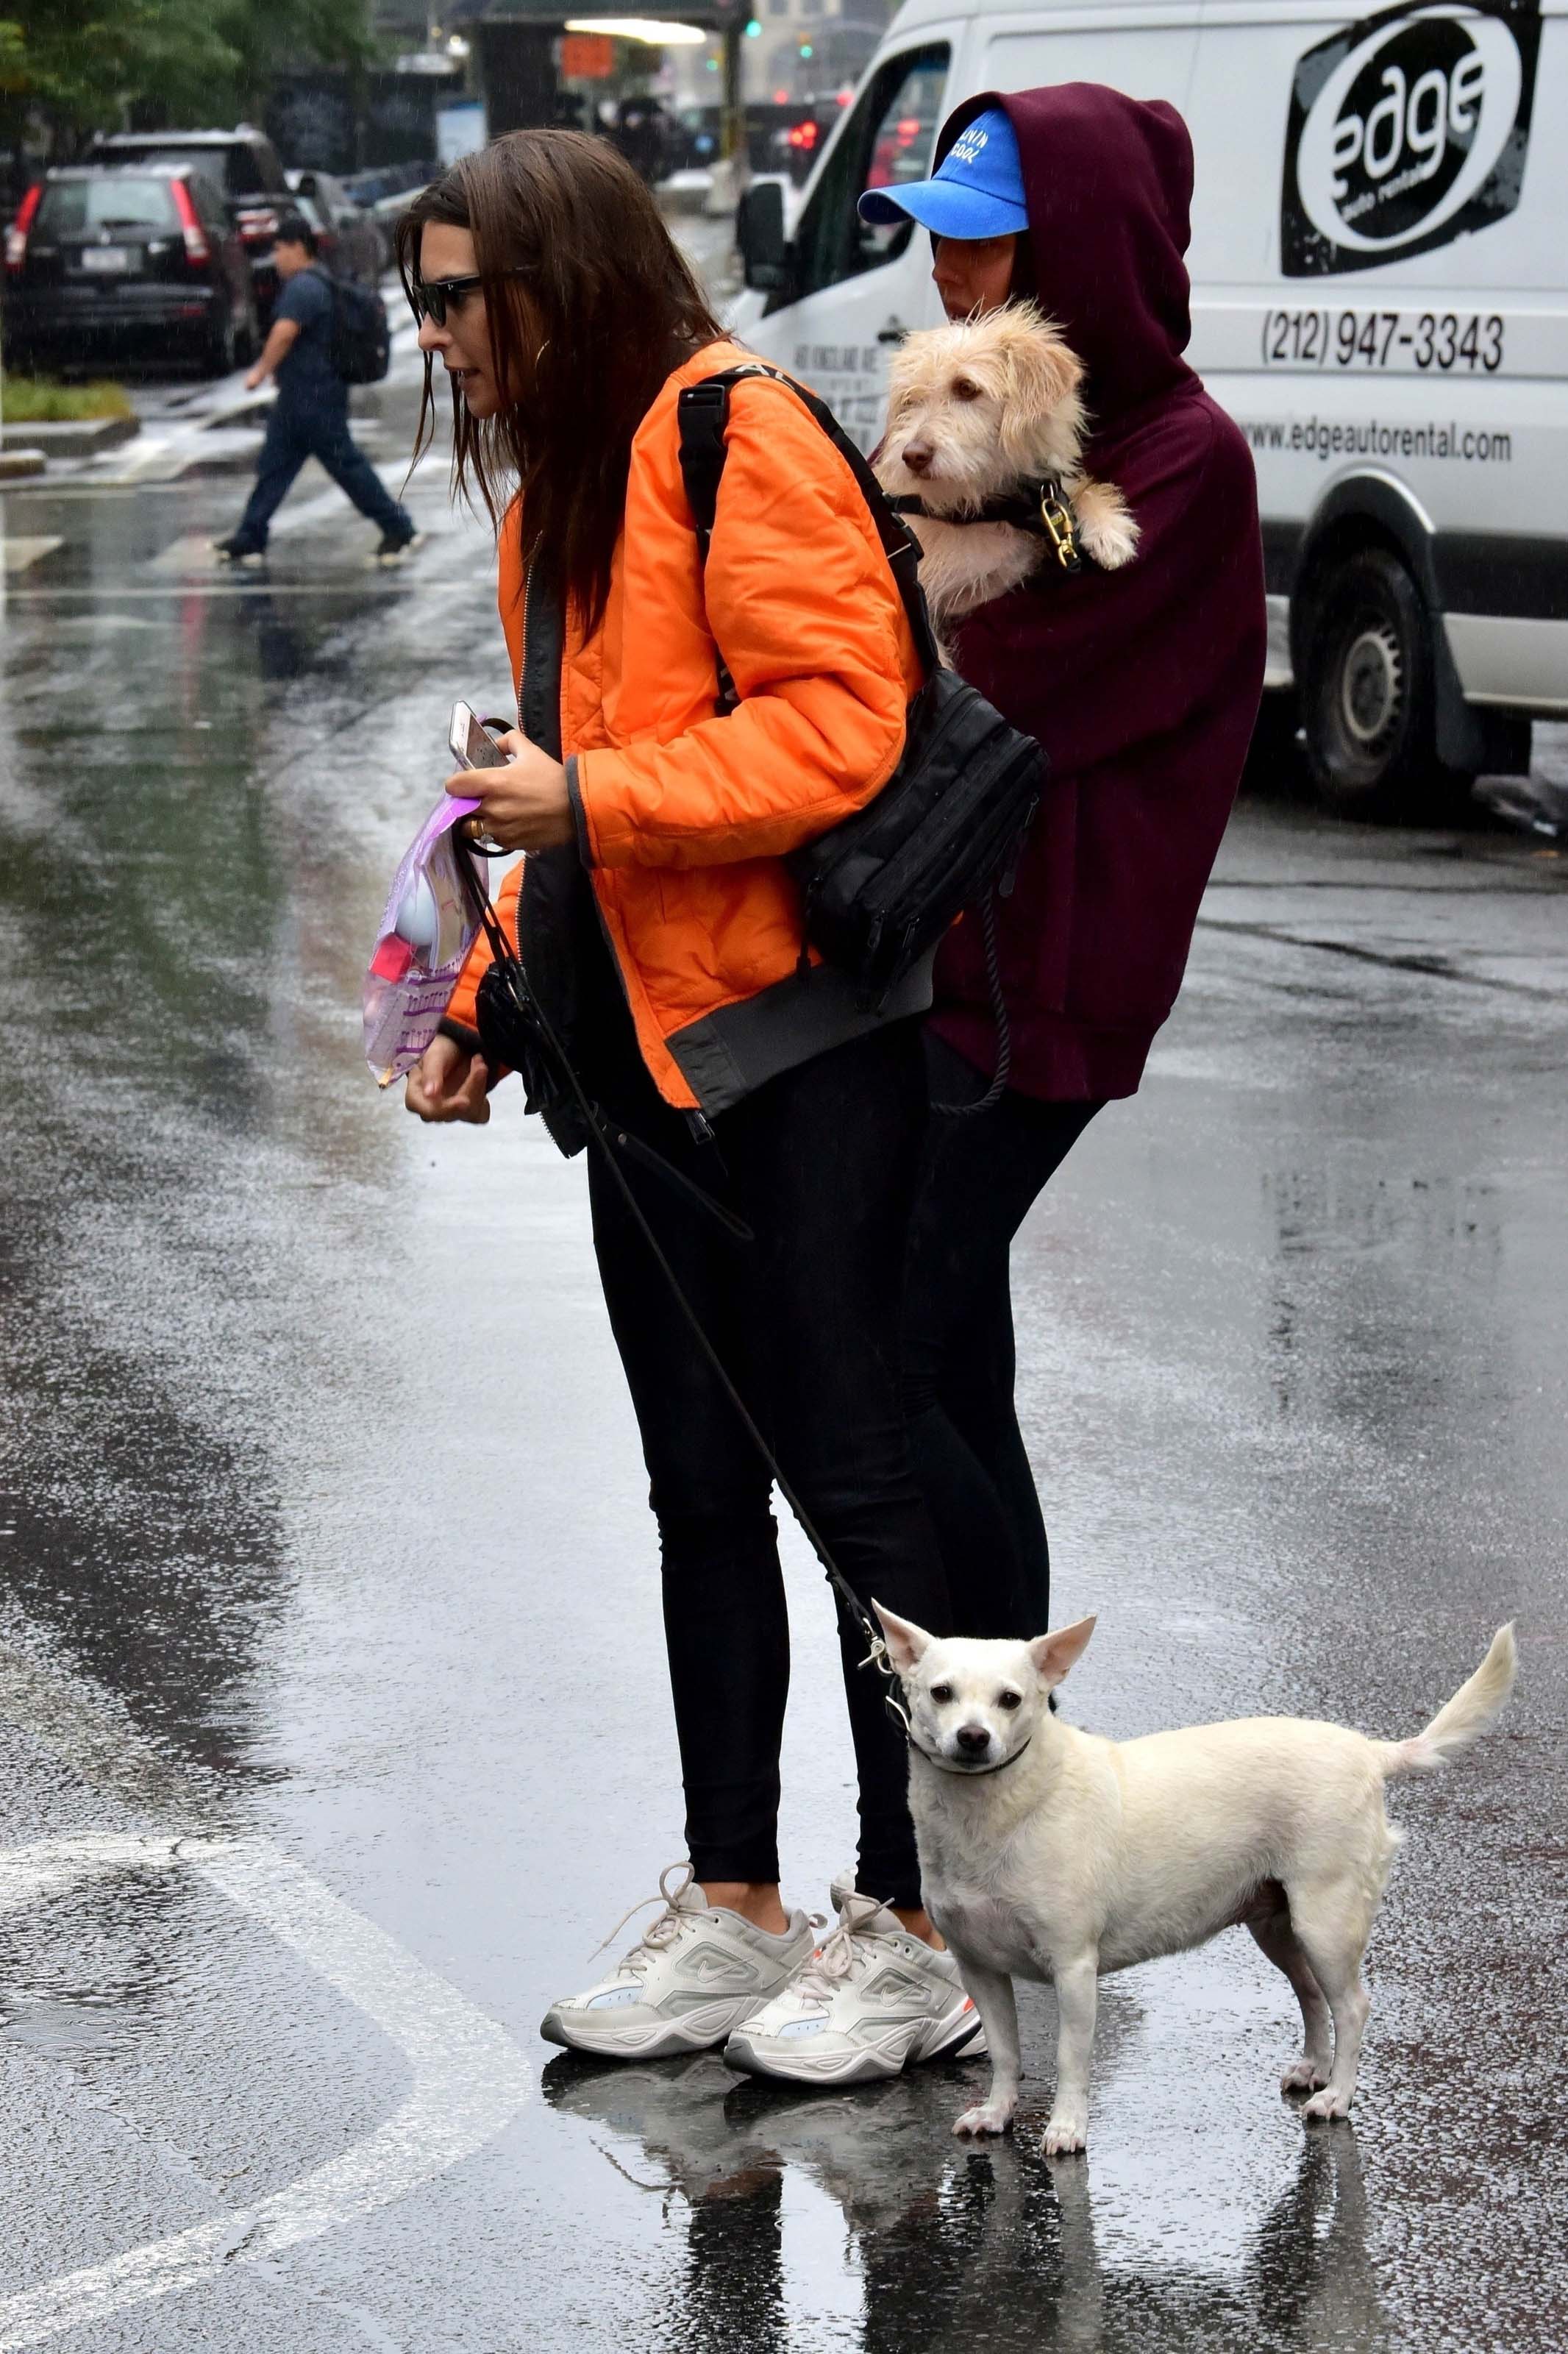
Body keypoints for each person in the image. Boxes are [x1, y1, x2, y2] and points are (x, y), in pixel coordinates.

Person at [396, 131, 981, 2084]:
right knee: (694, 1494)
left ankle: (906, 1922)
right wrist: (489, 1005)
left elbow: (842, 718)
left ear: (563, 273)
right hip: (636, 1067)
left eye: (462, 296)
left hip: (800, 1046)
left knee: (854, 1485)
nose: (442, 335)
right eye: (426, 302)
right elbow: (563, 795)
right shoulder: (559, 485)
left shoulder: (737, 430)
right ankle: (733, 1904)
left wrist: (598, 805)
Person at [857, 91, 1266, 1638]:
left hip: (1046, 984)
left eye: (981, 244)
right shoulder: (1015, 438)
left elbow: (983, 689)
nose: (950, 279)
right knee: (952, 1349)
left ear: (1075, 255)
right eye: (942, 246)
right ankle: (988, 1761)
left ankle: (994, 1740)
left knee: (890, 1342)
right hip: (949, 963)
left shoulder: (1180, 462)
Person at [213, 211, 419, 569]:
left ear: (298, 247)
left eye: (280, 249)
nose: (276, 258)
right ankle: (250, 536)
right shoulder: (317, 282)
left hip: (314, 400)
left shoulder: (303, 288)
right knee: (275, 468)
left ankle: (398, 526)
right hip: (303, 397)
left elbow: (285, 332)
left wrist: (261, 371)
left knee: (347, 469)